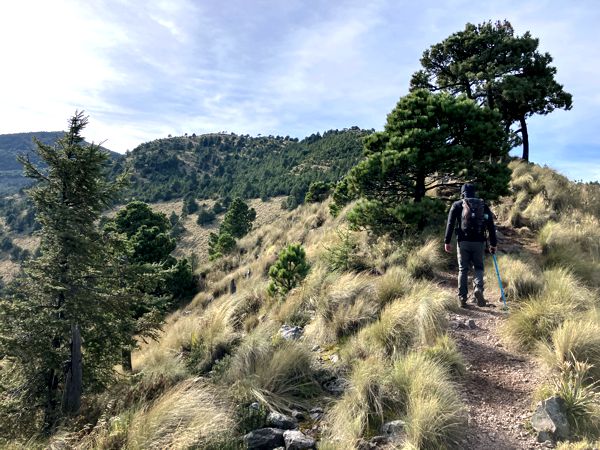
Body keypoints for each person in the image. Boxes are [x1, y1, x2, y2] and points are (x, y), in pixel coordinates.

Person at [444, 183, 497, 308]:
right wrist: (493, 244)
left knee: (463, 269)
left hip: (463, 241)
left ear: (462, 193)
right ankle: (478, 288)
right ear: (474, 193)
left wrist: (447, 241)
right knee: (478, 268)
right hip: (479, 242)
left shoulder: (457, 205)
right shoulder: (482, 205)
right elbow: (491, 225)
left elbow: (450, 223)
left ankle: (462, 298)